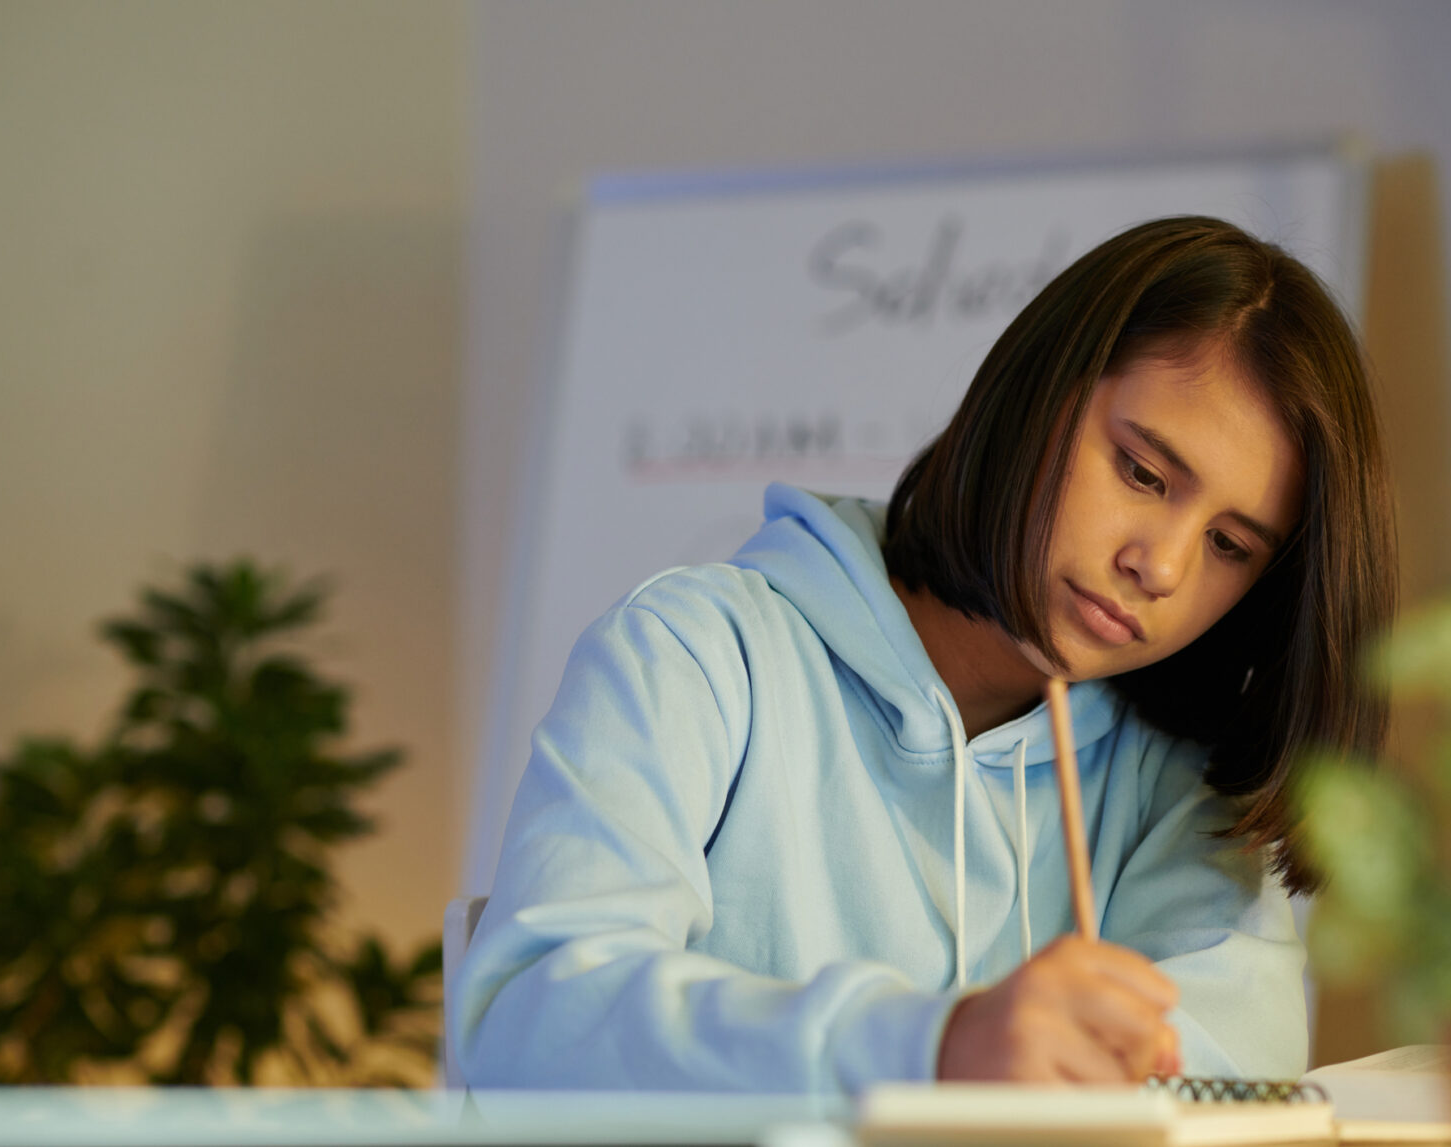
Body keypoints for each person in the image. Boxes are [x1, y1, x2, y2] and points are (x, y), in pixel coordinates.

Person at [449, 216, 1396, 1094]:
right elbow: (530, 1020)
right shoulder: (697, 659)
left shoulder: (1187, 782)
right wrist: (929, 1047)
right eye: (1143, 472)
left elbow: (1221, 1090)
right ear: (1037, 391)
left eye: (1231, 545)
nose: (1159, 564)